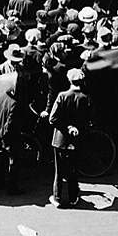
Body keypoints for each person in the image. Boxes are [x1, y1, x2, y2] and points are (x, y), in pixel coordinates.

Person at [48, 68, 92, 209]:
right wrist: (77, 129)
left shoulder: (62, 96)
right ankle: (73, 198)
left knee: (59, 171)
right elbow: (89, 121)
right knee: (73, 170)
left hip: (60, 140)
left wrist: (67, 128)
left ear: (69, 80)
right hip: (76, 141)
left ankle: (57, 198)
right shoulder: (85, 98)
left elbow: (52, 119)